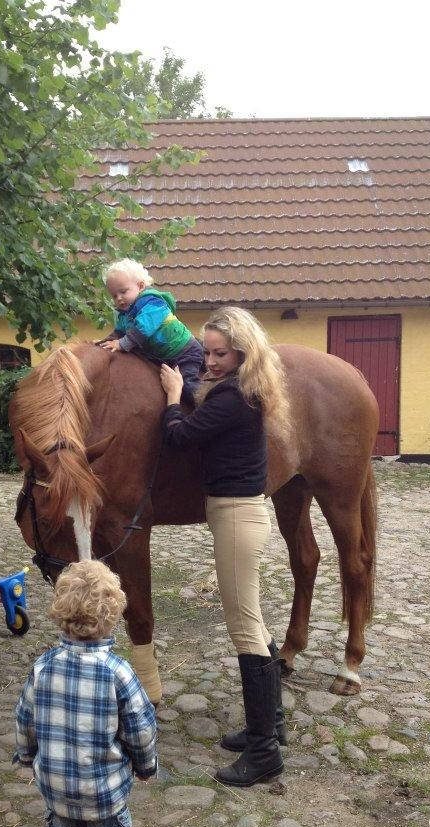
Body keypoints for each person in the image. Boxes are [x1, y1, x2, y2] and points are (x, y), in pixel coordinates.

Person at [159, 306, 289, 788]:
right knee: (253, 617)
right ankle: (272, 723)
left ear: (242, 353)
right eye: (207, 352)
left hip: (236, 515)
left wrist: (174, 397)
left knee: (244, 627)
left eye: (220, 353)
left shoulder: (233, 396)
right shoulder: (242, 390)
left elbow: (179, 438)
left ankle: (264, 754)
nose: (210, 361)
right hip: (238, 512)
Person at [14, 559, 158, 827]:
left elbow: (25, 718)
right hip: (104, 792)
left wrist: (27, 756)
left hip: (58, 787)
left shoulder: (42, 667)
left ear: (61, 614)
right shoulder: (119, 673)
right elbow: (140, 728)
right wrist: (146, 766)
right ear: (113, 617)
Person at [98, 258, 205, 401]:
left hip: (184, 352)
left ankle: (206, 404)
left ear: (141, 286)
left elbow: (142, 329)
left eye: (123, 292)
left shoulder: (153, 304)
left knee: (187, 385)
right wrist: (105, 343)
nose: (119, 298)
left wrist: (122, 344)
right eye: (114, 295)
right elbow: (119, 333)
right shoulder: (125, 314)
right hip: (164, 356)